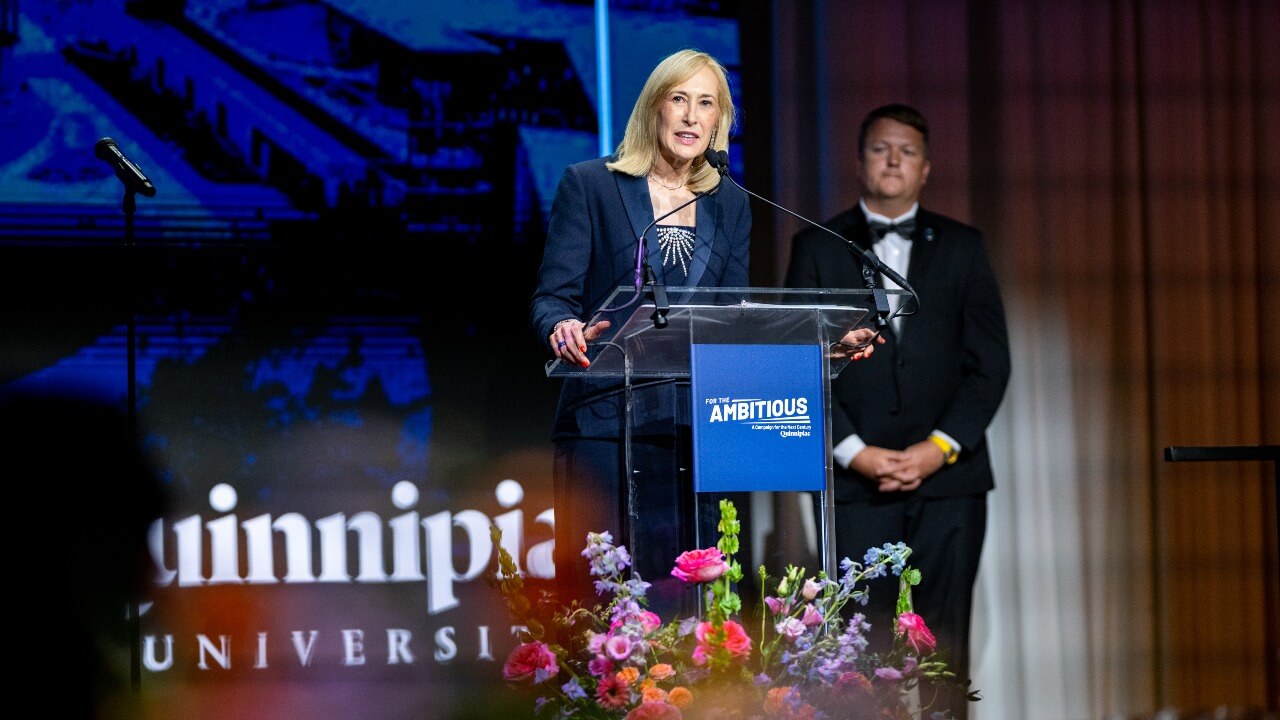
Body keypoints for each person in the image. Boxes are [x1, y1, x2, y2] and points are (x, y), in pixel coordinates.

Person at [530, 49, 877, 621]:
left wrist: (822, 347)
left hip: (696, 429)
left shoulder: (732, 204)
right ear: (654, 108)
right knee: (598, 606)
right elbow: (552, 297)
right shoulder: (591, 185)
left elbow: (731, 322)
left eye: (707, 103)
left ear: (720, 121)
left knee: (685, 607)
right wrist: (563, 325)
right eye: (679, 99)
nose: (692, 116)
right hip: (603, 424)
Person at [784, 103, 1010, 719]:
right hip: (855, 485)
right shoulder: (816, 247)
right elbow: (800, 363)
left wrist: (938, 449)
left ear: (926, 168)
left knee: (946, 639)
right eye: (881, 149)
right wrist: (853, 452)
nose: (892, 160)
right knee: (861, 643)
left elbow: (990, 365)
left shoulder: (964, 247)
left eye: (906, 151)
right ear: (860, 163)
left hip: (950, 481)